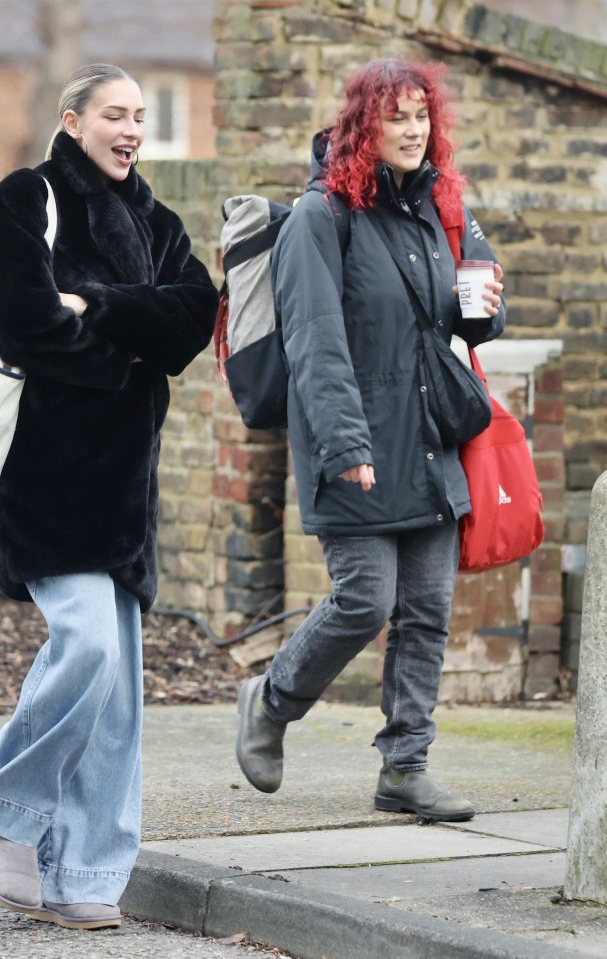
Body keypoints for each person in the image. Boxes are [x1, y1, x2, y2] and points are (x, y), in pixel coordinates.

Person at [0, 63, 217, 930]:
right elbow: (23, 319)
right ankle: (7, 808)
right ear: (73, 121)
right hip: (46, 473)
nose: (132, 128)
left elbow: (191, 320)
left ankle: (87, 872)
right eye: (115, 113)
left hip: (126, 489)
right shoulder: (24, 198)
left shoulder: (156, 218)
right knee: (88, 652)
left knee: (120, 698)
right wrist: (124, 350)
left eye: (141, 115)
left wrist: (96, 303)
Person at [235, 58, 506, 821]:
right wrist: (345, 443)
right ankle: (270, 700)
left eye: (422, 116)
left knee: (426, 608)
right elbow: (316, 344)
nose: (414, 130)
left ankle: (405, 767)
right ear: (363, 125)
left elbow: (462, 311)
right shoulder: (322, 218)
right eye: (397, 116)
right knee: (365, 598)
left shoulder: (438, 206)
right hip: (351, 440)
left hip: (429, 438)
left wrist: (485, 305)